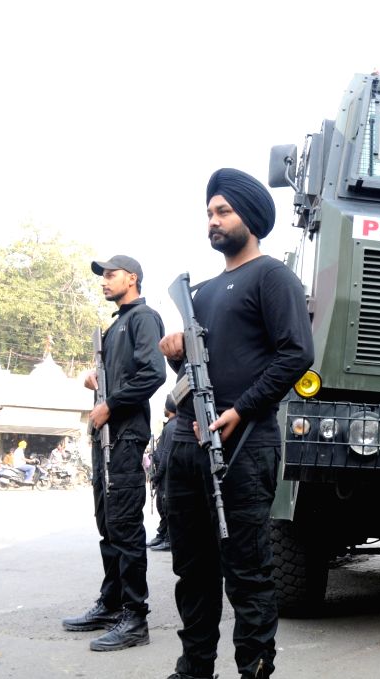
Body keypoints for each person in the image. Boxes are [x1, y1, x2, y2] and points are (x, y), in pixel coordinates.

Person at [158, 168, 314, 679]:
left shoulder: (272, 277)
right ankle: (195, 667)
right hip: (187, 443)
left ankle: (253, 670)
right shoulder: (201, 291)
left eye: (223, 211)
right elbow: (208, 367)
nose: (213, 221)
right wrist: (176, 353)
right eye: (209, 213)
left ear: (252, 218)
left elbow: (296, 355)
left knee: (247, 573)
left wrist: (242, 409)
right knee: (192, 570)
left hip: (244, 445)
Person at [62, 254, 167, 652]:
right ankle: (111, 603)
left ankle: (135, 617)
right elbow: (119, 376)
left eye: (110, 275)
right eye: (102, 276)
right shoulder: (116, 324)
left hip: (124, 436)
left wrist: (112, 404)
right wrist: (95, 379)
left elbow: (153, 373)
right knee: (108, 523)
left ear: (133, 278)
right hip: (106, 436)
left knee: (124, 526)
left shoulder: (143, 317)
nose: (104, 281)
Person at [147, 394, 177, 552]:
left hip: (166, 476)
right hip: (163, 475)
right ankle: (162, 534)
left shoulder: (171, 427)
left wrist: (157, 476)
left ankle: (168, 540)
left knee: (165, 507)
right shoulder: (170, 425)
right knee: (162, 507)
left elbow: (166, 455)